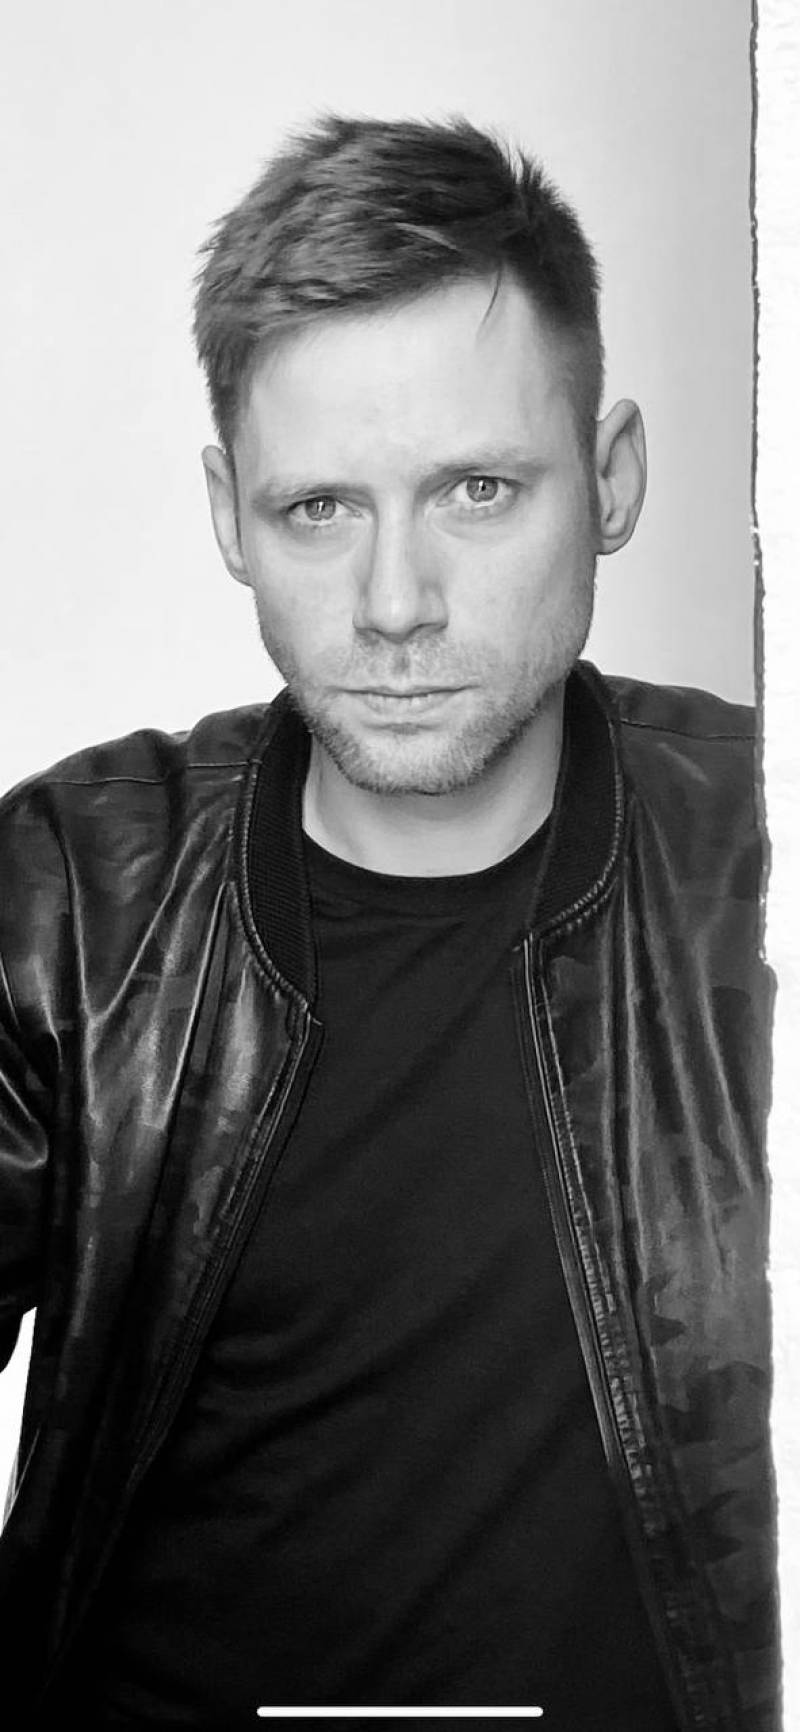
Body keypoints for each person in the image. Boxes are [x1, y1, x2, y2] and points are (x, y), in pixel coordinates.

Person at [0, 115, 778, 1732]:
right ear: (229, 515)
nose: (396, 602)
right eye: (319, 510)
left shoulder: (763, 861)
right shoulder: (73, 899)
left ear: (612, 480)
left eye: (477, 491)